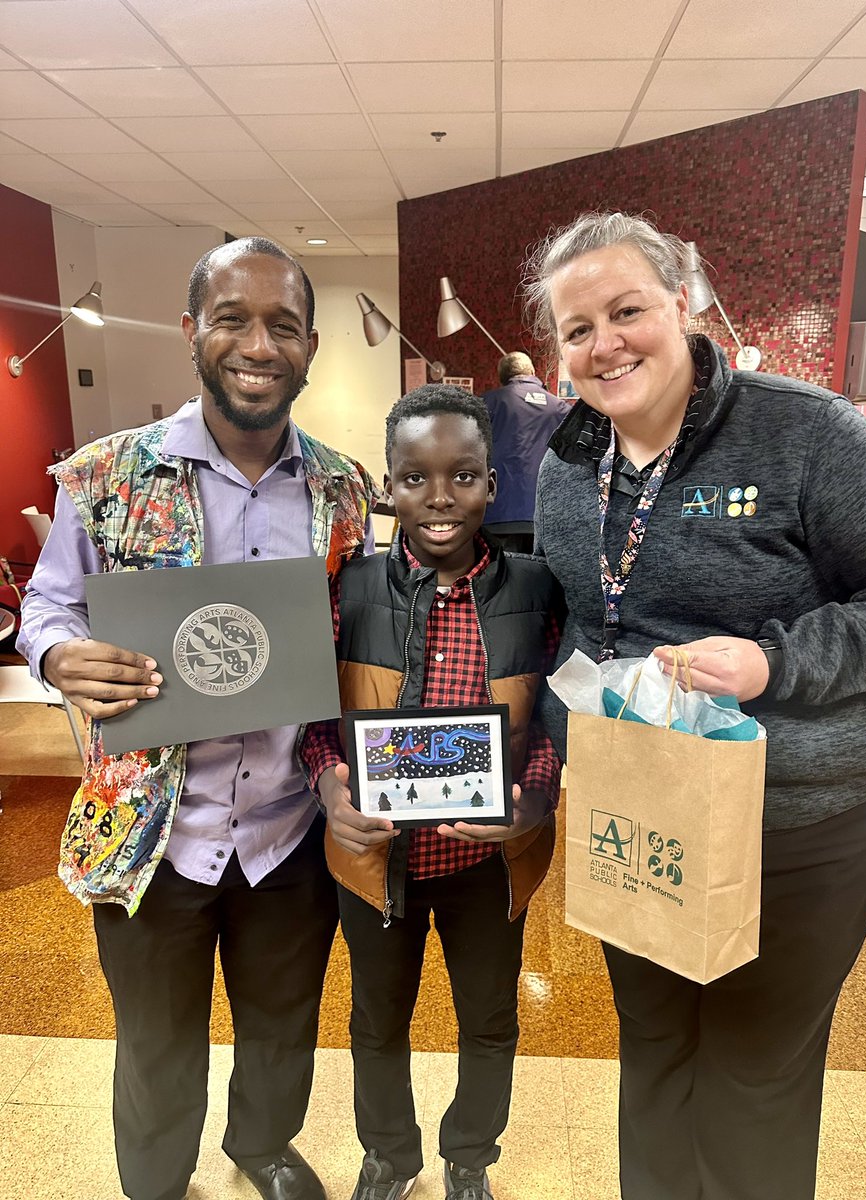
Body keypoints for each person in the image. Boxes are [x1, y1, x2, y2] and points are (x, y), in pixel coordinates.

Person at [523, 211, 866, 1200]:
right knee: (652, 1053)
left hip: (798, 823)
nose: (605, 344)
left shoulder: (806, 434)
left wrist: (776, 665)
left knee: (753, 1074)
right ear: (556, 350)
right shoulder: (566, 462)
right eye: (576, 327)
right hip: (641, 812)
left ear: (684, 302)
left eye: (627, 310)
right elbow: (572, 619)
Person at [17, 237, 379, 1200]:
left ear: (309, 350)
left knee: (282, 1020)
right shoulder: (105, 478)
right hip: (149, 832)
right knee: (155, 1039)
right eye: (232, 319)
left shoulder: (345, 491)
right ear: (191, 334)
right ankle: (154, 1178)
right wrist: (58, 654)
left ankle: (261, 1146)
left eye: (283, 325)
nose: (258, 343)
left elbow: (361, 647)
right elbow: (47, 606)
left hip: (290, 826)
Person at [300, 385, 562, 1200]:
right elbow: (314, 717)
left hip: (491, 860)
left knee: (490, 1022)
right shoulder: (347, 591)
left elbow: (556, 717)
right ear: (389, 485)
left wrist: (534, 797)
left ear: (492, 484)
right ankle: (388, 1156)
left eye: (464, 476)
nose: (440, 498)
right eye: (415, 477)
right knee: (377, 1022)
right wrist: (329, 784)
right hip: (377, 860)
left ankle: (470, 1159)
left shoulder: (539, 591)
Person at [481, 351, 570, 552]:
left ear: (503, 378)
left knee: (503, 578)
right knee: (540, 578)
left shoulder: (487, 403)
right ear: (531, 371)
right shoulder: (561, 408)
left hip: (498, 513)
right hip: (547, 513)